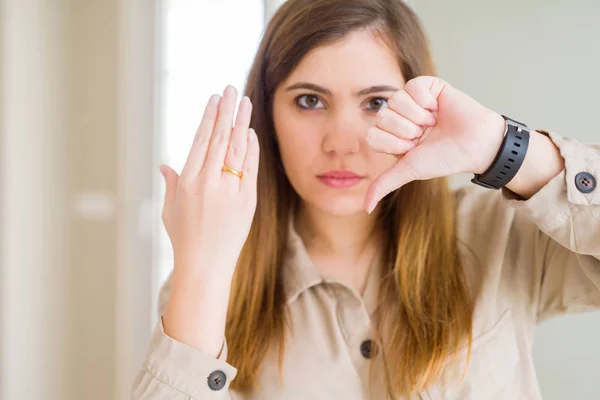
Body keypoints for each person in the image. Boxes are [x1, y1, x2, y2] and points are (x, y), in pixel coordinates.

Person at [132, 0, 600, 399]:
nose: (341, 143)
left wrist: (506, 148)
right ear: (268, 114)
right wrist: (203, 266)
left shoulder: (500, 233)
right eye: (310, 101)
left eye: (376, 103)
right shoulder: (210, 282)